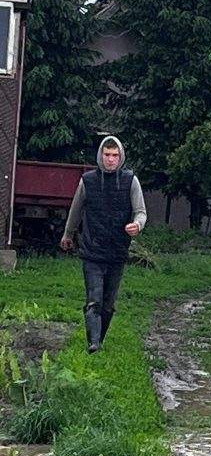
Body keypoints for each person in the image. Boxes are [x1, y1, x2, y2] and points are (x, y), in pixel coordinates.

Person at [60, 136, 147, 354]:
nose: (110, 159)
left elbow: (141, 212)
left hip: (117, 251)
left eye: (114, 155)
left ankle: (99, 339)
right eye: (107, 155)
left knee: (108, 304)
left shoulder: (130, 181)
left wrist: (137, 225)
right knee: (94, 299)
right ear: (100, 156)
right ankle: (93, 344)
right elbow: (75, 211)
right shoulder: (87, 181)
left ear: (120, 157)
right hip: (92, 250)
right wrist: (68, 234)